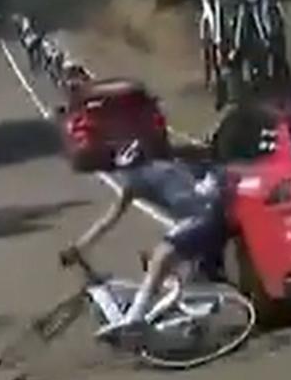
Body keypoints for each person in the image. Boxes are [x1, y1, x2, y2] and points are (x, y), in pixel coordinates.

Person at [59, 140, 229, 337]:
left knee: (161, 256)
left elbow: (108, 221)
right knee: (154, 261)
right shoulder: (143, 180)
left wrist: (80, 247)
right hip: (196, 218)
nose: (125, 177)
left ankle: (136, 317)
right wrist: (80, 246)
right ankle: (183, 308)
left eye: (127, 172)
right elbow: (107, 221)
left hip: (202, 217)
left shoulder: (160, 173)